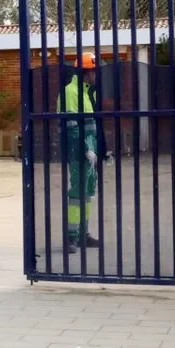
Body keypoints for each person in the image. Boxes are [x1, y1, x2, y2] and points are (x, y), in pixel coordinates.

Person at [59, 52, 100, 254]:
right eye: (93, 71)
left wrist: (98, 149)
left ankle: (83, 234)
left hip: (89, 150)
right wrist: (87, 149)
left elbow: (92, 124)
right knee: (77, 194)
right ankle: (71, 238)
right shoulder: (71, 92)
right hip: (78, 151)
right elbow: (73, 127)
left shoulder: (86, 92)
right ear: (86, 72)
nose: (96, 75)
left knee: (87, 193)